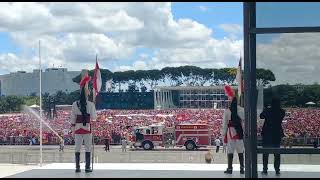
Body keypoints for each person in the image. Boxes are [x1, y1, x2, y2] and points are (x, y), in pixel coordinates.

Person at [70, 73, 97, 173]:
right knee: (88, 148)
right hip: (87, 129)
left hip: (77, 129)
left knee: (77, 148)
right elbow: (94, 118)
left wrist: (73, 129)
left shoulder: (74, 104)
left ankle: (77, 167)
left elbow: (72, 118)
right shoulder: (90, 104)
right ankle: (87, 167)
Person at [222, 85, 245, 175]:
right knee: (240, 150)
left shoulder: (227, 111)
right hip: (239, 132)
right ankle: (242, 168)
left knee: (230, 150)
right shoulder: (242, 110)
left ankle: (230, 168)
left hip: (230, 132)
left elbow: (224, 125)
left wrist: (223, 136)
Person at [260, 97, 285, 176]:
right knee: (277, 153)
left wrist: (265, 108)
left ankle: (265, 170)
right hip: (277, 133)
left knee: (265, 153)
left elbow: (261, 116)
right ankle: (277, 170)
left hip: (267, 133)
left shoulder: (267, 110)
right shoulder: (282, 111)